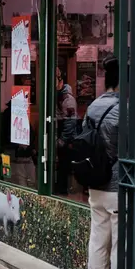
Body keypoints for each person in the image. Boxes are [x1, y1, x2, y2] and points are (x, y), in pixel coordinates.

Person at [85, 55, 120, 269]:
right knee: (119, 244)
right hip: (117, 186)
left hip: (95, 184)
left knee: (98, 239)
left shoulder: (93, 106)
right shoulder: (124, 109)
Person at [54, 67, 79, 195]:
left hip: (66, 139)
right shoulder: (56, 95)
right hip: (60, 135)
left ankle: (63, 190)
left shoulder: (67, 98)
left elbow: (70, 122)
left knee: (64, 166)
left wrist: (61, 140)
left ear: (60, 80)